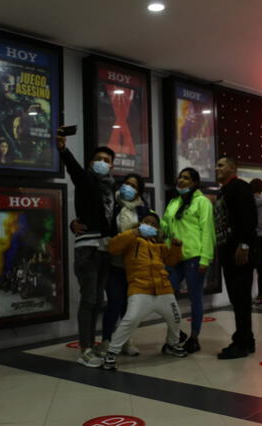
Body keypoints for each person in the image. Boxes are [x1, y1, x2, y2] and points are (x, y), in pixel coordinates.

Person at [58, 131, 116, 368]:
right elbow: (74, 170)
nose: (103, 163)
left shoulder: (111, 187)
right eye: (99, 159)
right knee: (89, 299)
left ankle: (91, 345)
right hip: (88, 249)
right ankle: (84, 349)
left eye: (108, 160)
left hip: (104, 249)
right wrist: (63, 150)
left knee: (97, 300)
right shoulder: (87, 179)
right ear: (92, 162)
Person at [103, 212, 187, 370]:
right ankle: (112, 352)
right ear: (140, 223)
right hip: (139, 289)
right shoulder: (131, 239)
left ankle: (172, 345)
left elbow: (171, 261)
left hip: (164, 290)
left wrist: (176, 247)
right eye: (147, 222)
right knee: (130, 320)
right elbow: (113, 247)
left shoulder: (159, 245)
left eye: (154, 224)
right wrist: (134, 232)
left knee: (175, 318)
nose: (150, 225)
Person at [161, 167, 215, 353]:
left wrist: (205, 259)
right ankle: (177, 334)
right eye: (180, 177)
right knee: (165, 296)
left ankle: (194, 337)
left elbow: (207, 231)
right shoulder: (174, 202)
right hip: (174, 257)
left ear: (194, 183)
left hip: (194, 256)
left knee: (195, 298)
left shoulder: (202, 202)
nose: (181, 180)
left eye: (186, 178)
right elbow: (165, 226)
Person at [100, 174, 151, 356]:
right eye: (126, 184)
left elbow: (151, 232)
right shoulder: (111, 204)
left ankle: (125, 340)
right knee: (114, 302)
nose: (128, 187)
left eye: (133, 185)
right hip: (112, 262)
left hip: (133, 265)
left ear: (139, 191)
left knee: (129, 307)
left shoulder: (143, 209)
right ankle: (106, 340)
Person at [214, 157, 257, 359]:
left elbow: (248, 218)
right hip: (228, 251)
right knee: (238, 298)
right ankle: (246, 339)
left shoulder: (239, 187)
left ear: (232, 168)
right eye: (217, 165)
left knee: (240, 298)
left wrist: (244, 244)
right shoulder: (225, 190)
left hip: (239, 252)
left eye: (221, 165)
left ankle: (241, 343)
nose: (217, 168)